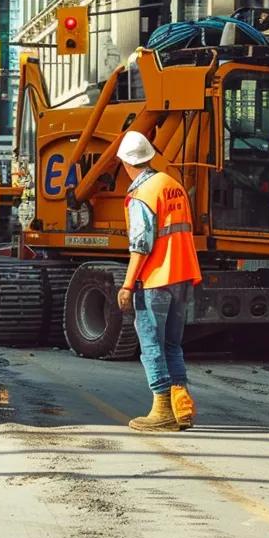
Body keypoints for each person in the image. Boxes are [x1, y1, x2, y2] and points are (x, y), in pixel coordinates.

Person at [113, 131, 201, 433]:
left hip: (156, 279)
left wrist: (127, 285)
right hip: (183, 274)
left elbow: (141, 245)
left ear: (126, 163)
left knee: (151, 345)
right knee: (173, 345)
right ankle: (182, 409)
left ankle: (162, 409)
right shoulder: (172, 185)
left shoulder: (143, 195)